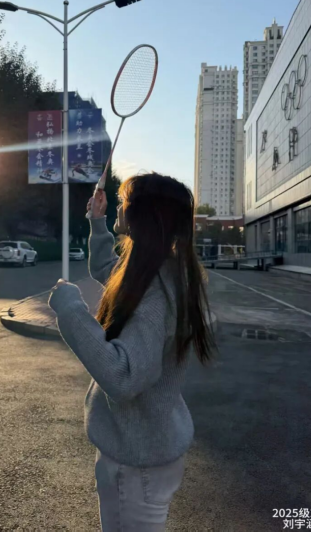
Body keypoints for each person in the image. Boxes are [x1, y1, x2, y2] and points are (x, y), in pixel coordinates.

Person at [49, 172, 215, 533]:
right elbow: (106, 269)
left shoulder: (156, 290)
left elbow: (123, 377)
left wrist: (70, 310)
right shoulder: (158, 267)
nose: (119, 206)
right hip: (141, 451)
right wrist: (97, 222)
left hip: (138, 464)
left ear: (144, 216)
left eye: (124, 201)